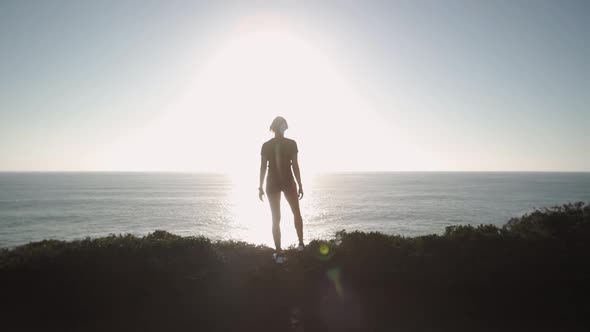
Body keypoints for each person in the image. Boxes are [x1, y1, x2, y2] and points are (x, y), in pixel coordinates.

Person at [259, 116, 304, 263]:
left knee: (275, 218)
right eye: (285, 123)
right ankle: (301, 245)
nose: (287, 125)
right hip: (288, 181)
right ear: (281, 126)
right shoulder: (291, 144)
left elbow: (263, 167)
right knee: (296, 212)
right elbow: (295, 165)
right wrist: (300, 184)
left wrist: (260, 186)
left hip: (271, 182)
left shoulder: (266, 145)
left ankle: (278, 253)